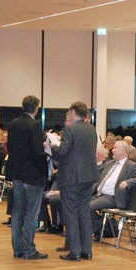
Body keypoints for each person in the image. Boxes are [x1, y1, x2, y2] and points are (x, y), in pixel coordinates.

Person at [48, 102, 98, 261]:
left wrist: (51, 147)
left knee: (70, 214)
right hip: (88, 177)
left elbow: (62, 152)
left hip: (71, 178)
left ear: (74, 112)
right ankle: (87, 251)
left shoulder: (70, 129)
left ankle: (75, 251)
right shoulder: (92, 129)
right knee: (84, 213)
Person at [5, 95, 48, 260]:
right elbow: (37, 153)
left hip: (17, 174)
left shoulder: (13, 124)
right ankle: (29, 250)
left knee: (17, 212)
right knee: (31, 214)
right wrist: (45, 171)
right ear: (36, 109)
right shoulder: (35, 125)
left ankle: (18, 249)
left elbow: (12, 148)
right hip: (32, 176)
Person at [89, 140, 136, 235]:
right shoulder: (111, 163)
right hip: (98, 194)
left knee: (87, 207)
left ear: (123, 151)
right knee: (79, 204)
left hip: (112, 197)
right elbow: (97, 171)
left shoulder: (131, 165)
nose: (112, 150)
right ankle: (107, 226)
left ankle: (106, 227)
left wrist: (128, 182)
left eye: (115, 148)